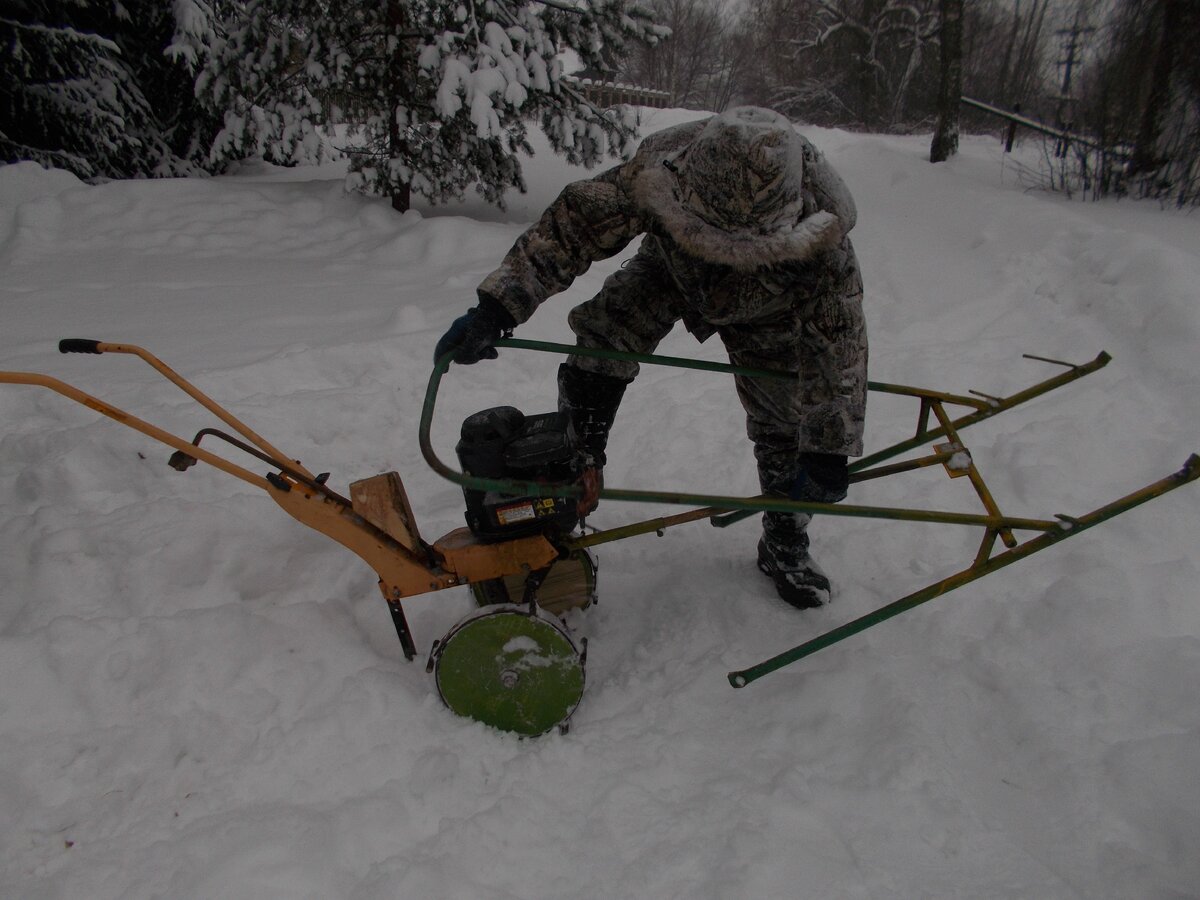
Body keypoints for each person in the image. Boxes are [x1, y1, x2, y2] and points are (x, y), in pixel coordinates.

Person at [434, 106, 867, 609]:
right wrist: (498, 304)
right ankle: (581, 467)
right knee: (603, 333)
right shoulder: (658, 172)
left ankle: (785, 539)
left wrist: (829, 446)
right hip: (671, 273)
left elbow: (838, 342)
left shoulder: (823, 234)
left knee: (785, 419)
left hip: (770, 308)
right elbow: (574, 227)